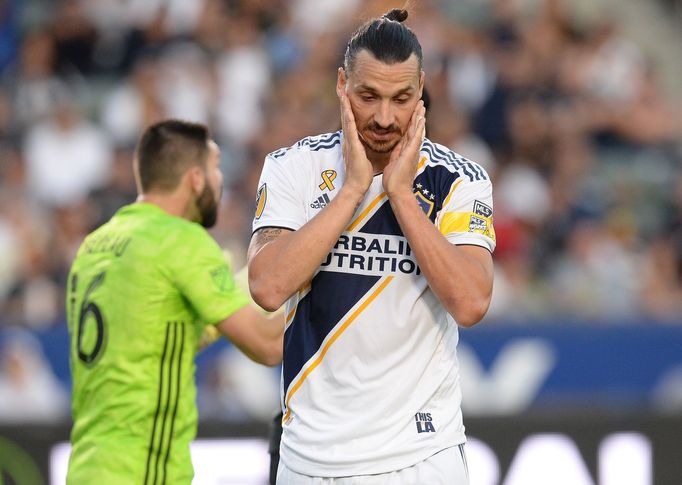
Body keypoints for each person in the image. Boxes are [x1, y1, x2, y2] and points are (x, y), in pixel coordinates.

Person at [248, 8, 496, 485]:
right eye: (369, 96)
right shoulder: (291, 167)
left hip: (422, 456)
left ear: (422, 89)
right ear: (342, 86)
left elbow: (470, 301)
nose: (385, 118)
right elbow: (268, 286)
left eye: (402, 98)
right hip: (310, 458)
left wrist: (400, 194)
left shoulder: (459, 181)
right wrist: (351, 191)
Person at [66, 119, 283, 484]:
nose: (220, 181)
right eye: (215, 168)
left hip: (87, 466)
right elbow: (268, 346)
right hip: (144, 470)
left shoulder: (94, 246)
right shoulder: (180, 241)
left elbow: (160, 336)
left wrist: (249, 284)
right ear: (195, 178)